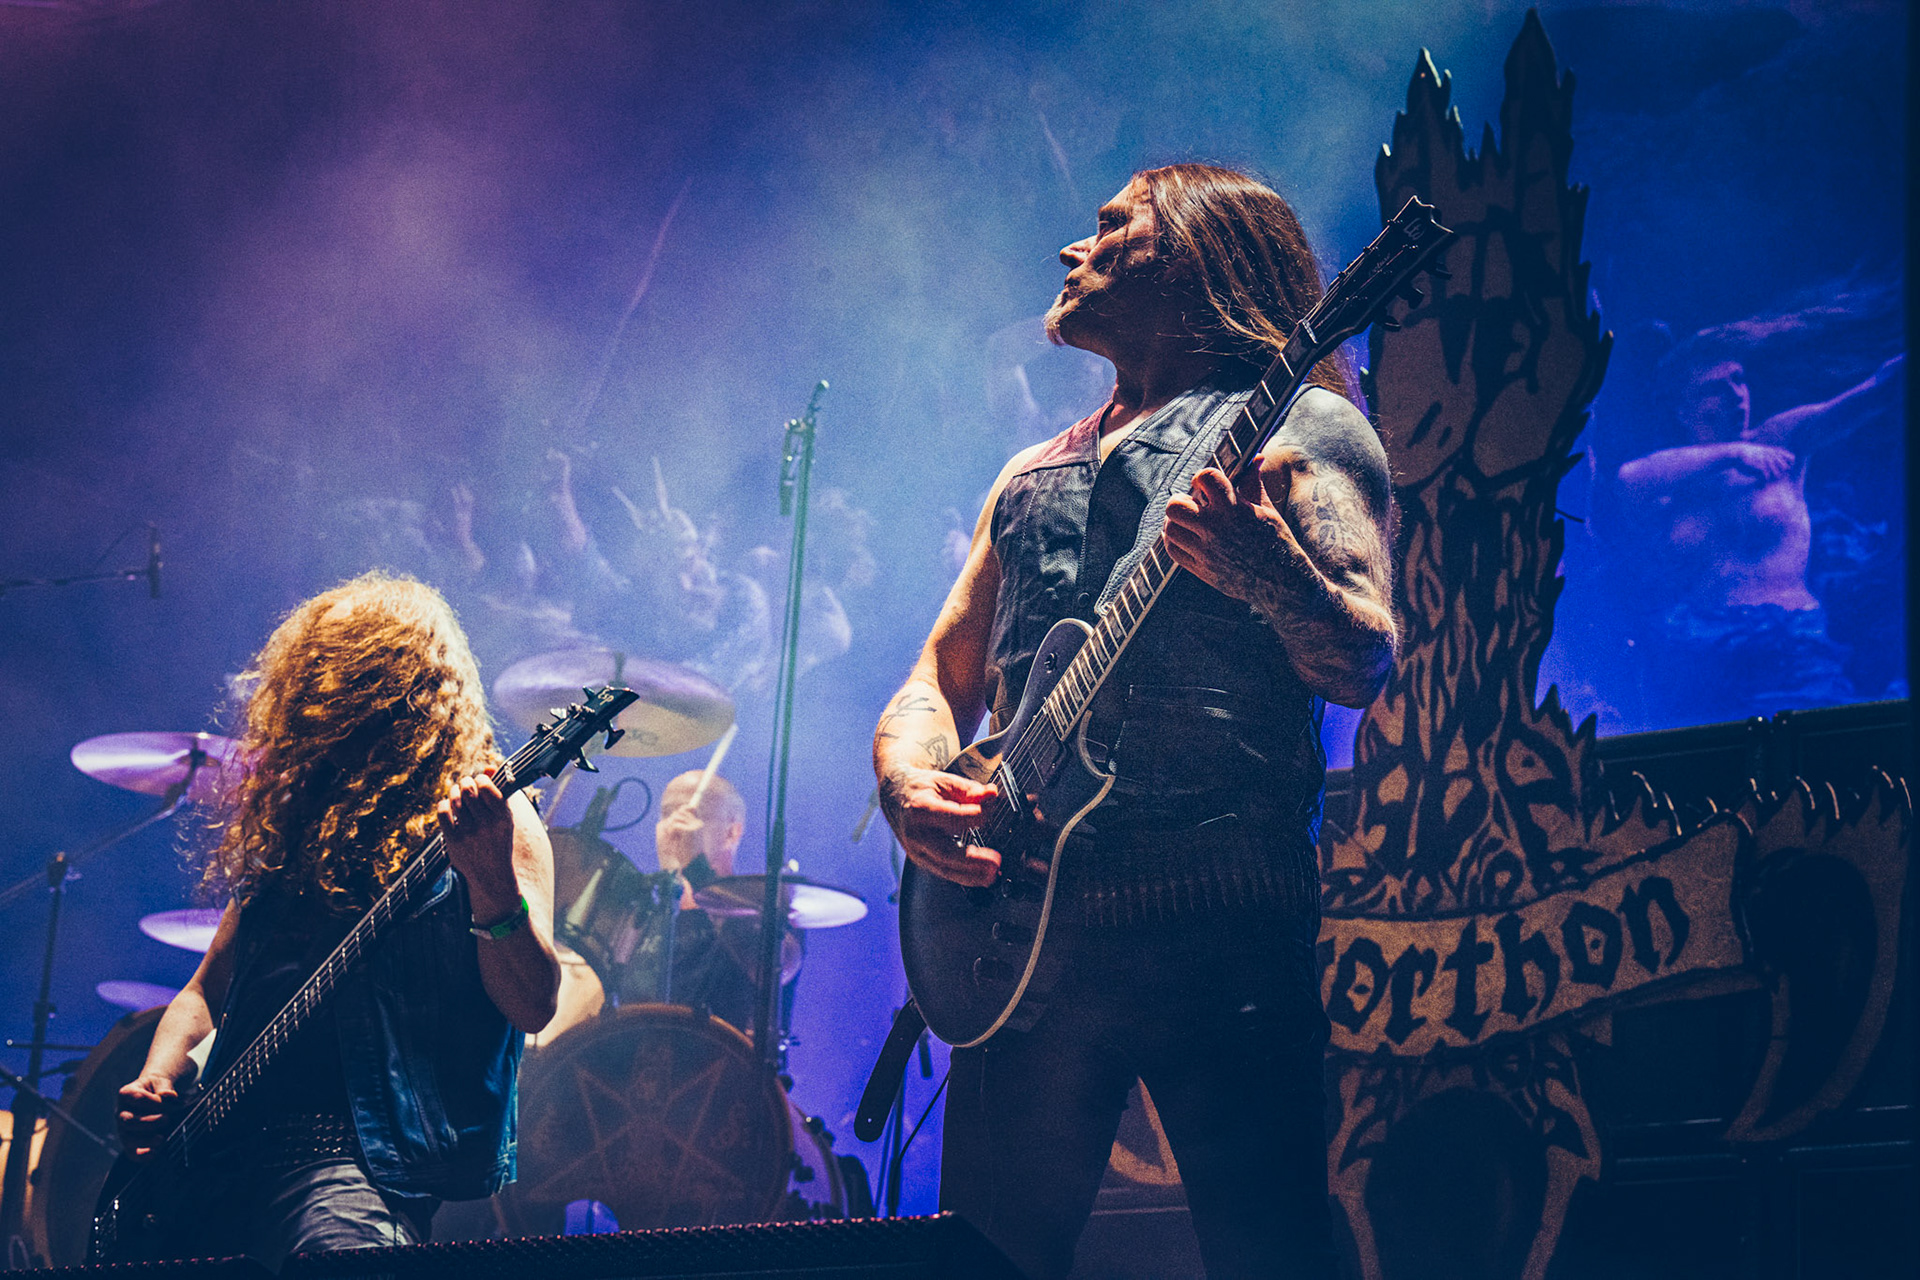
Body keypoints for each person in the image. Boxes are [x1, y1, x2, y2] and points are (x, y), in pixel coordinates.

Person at [873, 164, 1397, 1279]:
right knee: (982, 1260)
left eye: (1114, 227)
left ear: (1196, 259)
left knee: (1274, 1253)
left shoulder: (1303, 431)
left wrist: (1276, 576)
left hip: (1218, 924)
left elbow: (1364, 655)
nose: (1075, 249)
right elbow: (937, 674)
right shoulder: (1029, 472)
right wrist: (908, 778)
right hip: (1021, 940)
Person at [115, 573, 561, 1263]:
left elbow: (534, 1005)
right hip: (222, 1165)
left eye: (341, 667)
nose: (320, 689)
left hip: (354, 1169)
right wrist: (160, 1076)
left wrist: (494, 885)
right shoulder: (303, 826)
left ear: (396, 683)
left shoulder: (490, 818)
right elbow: (208, 990)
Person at [1614, 349, 1902, 723]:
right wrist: (1732, 452)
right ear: (1683, 410)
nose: (1736, 394)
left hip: (1790, 644)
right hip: (1702, 656)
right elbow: (1627, 479)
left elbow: (1873, 392)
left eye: (1739, 379)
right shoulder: (1667, 481)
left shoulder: (1782, 439)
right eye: (1714, 387)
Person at [617, 770, 796, 1035]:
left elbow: (772, 969)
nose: (675, 824)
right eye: (667, 813)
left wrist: (697, 870)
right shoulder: (641, 914)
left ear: (732, 831)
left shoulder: (760, 905)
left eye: (694, 813)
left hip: (718, 1068)